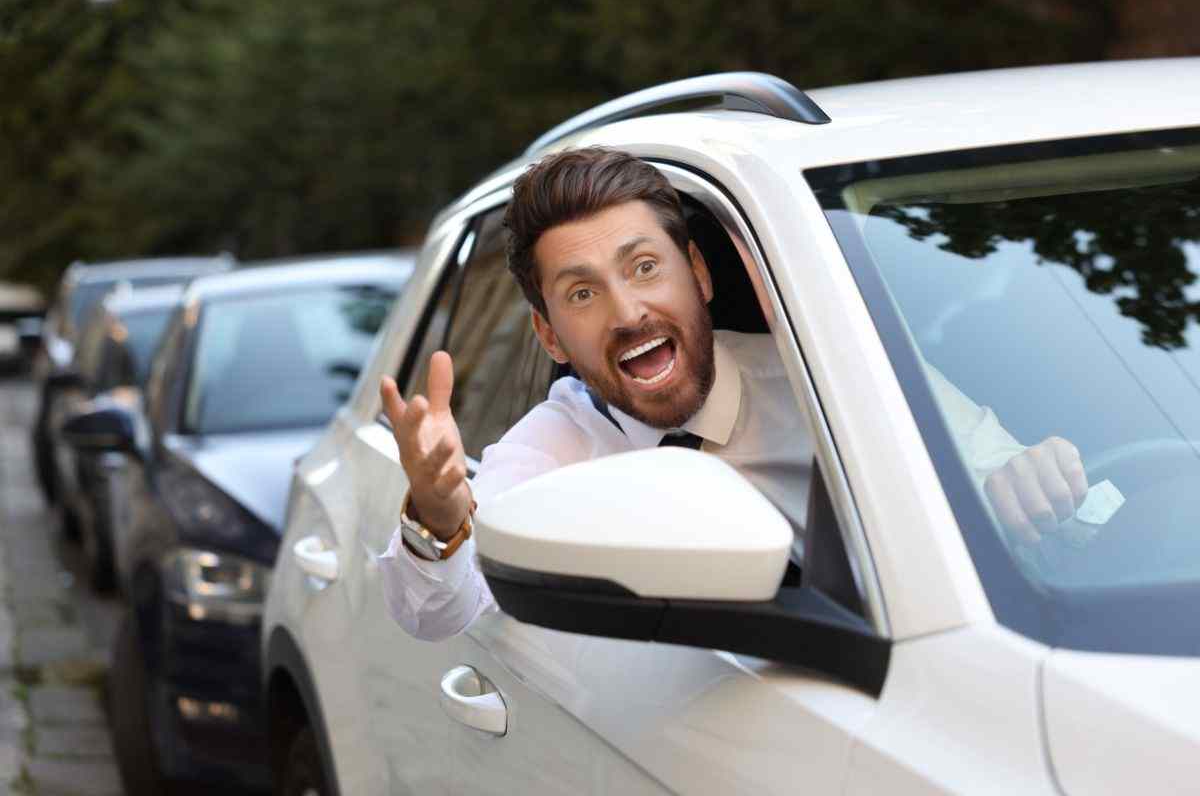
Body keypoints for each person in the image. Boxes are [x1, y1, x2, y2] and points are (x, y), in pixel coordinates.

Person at [377, 147, 1088, 641]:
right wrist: (438, 517)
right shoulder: (555, 445)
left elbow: (1050, 503)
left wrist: (1036, 487)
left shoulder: (831, 375)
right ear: (550, 336)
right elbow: (442, 613)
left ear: (699, 275)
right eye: (582, 293)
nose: (628, 313)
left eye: (645, 267)